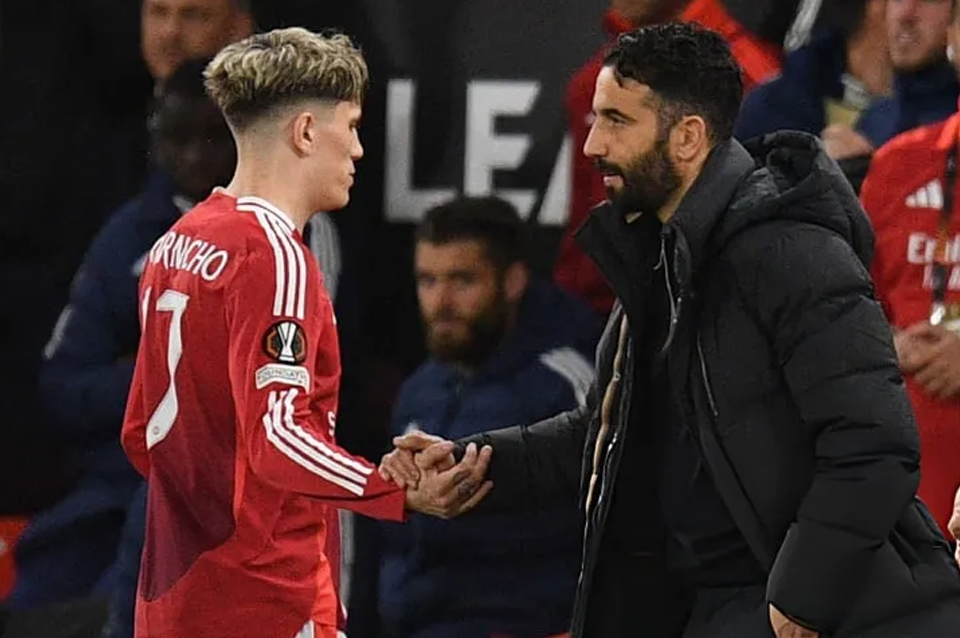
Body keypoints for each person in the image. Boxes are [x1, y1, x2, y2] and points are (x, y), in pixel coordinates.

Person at [382, 22, 960, 638]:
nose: (592, 144)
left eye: (617, 121)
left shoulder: (793, 253)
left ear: (687, 138)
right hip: (704, 605)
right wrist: (470, 462)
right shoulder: (657, 257)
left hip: (808, 608)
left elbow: (873, 444)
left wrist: (799, 602)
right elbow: (605, 434)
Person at [120, 27, 490, 638]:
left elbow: (141, 432)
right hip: (263, 596)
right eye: (352, 126)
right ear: (307, 132)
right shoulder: (273, 255)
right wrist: (389, 487)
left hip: (172, 594)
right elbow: (278, 435)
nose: (359, 150)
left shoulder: (176, 244)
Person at [8, 57, 236, 612]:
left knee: (124, 607)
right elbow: (64, 387)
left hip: (223, 495)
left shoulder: (289, 233)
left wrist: (165, 371)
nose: (196, 156)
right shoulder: (126, 239)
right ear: (155, 139)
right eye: (178, 138)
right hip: (113, 487)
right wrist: (155, 372)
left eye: (213, 137)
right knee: (32, 602)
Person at [376, 196, 599, 638]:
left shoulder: (568, 381)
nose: (441, 302)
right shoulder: (418, 389)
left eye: (463, 280)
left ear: (512, 281)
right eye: (427, 280)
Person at [553, 0, 783, 317]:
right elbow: (582, 227)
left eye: (618, 120)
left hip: (708, 308)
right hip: (605, 314)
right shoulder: (590, 83)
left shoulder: (755, 78)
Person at [858, 0, 960, 540]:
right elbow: (844, 311)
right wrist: (889, 344)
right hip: (901, 496)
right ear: (954, 39)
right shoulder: (897, 164)